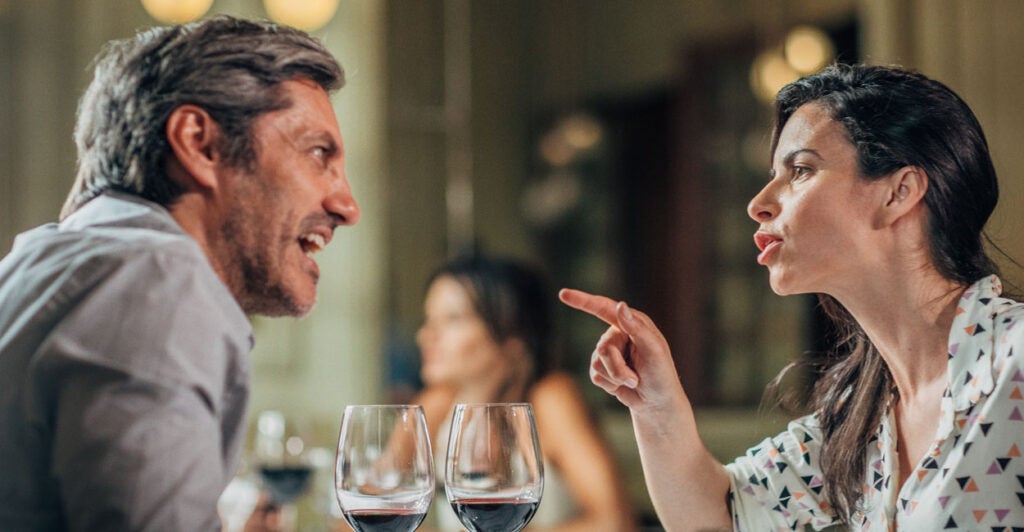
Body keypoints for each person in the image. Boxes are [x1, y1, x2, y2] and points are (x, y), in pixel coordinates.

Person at [560, 63, 1024, 530]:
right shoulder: (859, 413)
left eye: (800, 169)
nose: (758, 202)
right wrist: (655, 404)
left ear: (898, 192)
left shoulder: (1014, 362)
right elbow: (719, 518)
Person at [0, 16, 359, 530]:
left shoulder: (36, 263)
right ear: (200, 143)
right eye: (318, 153)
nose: (347, 206)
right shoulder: (156, 285)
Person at [413, 255, 636, 531]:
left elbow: (616, 524)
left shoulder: (551, 399)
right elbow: (368, 500)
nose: (426, 335)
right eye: (428, 319)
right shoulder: (437, 405)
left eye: (452, 319)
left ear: (513, 338)